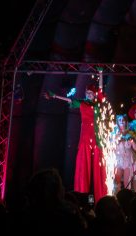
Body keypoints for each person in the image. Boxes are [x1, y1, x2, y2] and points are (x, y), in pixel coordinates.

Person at [44, 70, 107, 203]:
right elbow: (69, 100)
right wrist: (55, 96)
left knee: (96, 168)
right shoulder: (82, 103)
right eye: (87, 93)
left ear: (94, 94)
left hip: (97, 139)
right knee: (85, 168)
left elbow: (101, 89)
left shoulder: (98, 103)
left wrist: (100, 74)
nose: (88, 95)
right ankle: (85, 197)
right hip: (85, 138)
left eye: (91, 93)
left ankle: (98, 197)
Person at [113, 114, 136, 193]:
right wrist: (117, 139)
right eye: (119, 120)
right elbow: (110, 147)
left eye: (123, 120)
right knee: (117, 183)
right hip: (118, 160)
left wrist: (132, 141)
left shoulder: (130, 133)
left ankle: (127, 200)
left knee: (127, 184)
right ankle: (116, 200)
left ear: (126, 122)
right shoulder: (114, 133)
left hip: (127, 160)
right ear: (117, 122)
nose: (121, 122)